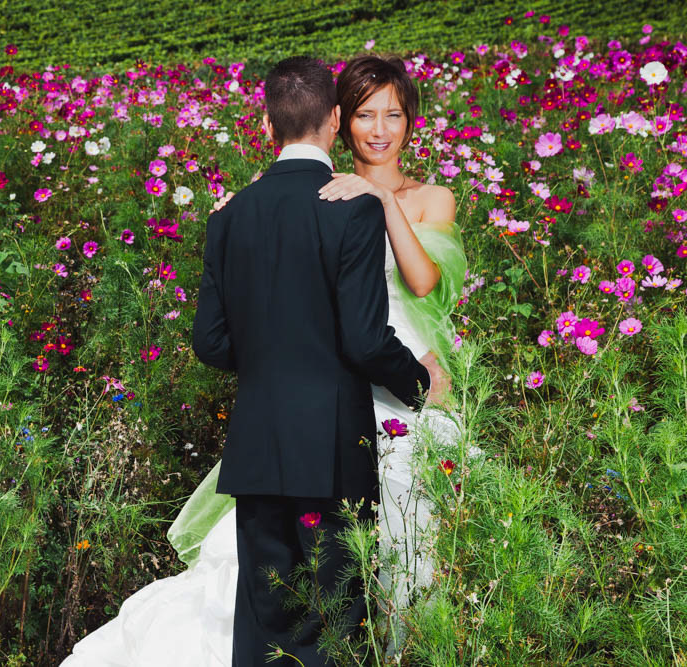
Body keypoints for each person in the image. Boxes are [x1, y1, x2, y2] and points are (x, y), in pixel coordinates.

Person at [60, 54, 464, 667]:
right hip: (338, 433)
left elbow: (211, 343)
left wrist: (277, 353)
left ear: (267, 121)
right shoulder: (346, 207)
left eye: (393, 115)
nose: (379, 127)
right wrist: (418, 381)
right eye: (363, 114)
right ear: (335, 120)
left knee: (263, 617)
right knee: (335, 618)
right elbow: (362, 339)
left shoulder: (233, 212)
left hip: (260, 443)